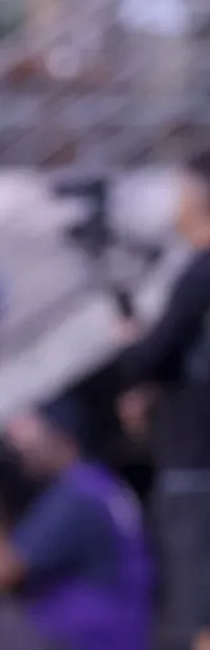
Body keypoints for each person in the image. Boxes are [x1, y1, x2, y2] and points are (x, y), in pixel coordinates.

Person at [0, 398, 152, 650]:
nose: (21, 450)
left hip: (86, 637)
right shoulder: (97, 482)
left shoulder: (76, 494)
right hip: (118, 630)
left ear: (63, 438)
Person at [113, 150, 210, 650]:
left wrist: (131, 343)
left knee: (193, 608)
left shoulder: (200, 271)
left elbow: (149, 357)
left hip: (193, 465)